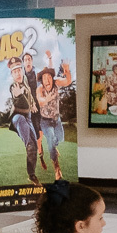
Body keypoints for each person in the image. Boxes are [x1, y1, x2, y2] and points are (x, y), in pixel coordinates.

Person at [36, 52, 73, 182]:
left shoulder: (56, 83)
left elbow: (68, 81)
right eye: (44, 78)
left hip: (57, 120)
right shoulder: (40, 89)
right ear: (42, 80)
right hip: (45, 121)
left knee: (60, 139)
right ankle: (57, 168)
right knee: (51, 140)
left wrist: (67, 71)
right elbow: (40, 101)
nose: (47, 80)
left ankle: (54, 147)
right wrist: (47, 99)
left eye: (49, 77)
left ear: (52, 78)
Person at [21, 52, 47, 171]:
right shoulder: (22, 77)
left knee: (41, 133)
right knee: (36, 136)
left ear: (31, 61)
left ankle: (43, 151)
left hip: (40, 107)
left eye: (29, 59)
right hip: (30, 111)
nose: (27, 61)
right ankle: (40, 156)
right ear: (23, 63)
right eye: (25, 60)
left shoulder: (38, 75)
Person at [10, 94, 41, 186]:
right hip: (19, 116)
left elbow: (30, 97)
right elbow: (16, 97)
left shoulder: (27, 86)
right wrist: (19, 95)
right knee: (30, 145)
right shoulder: (15, 87)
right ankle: (31, 175)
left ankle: (32, 175)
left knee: (34, 146)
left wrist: (33, 104)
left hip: (28, 117)